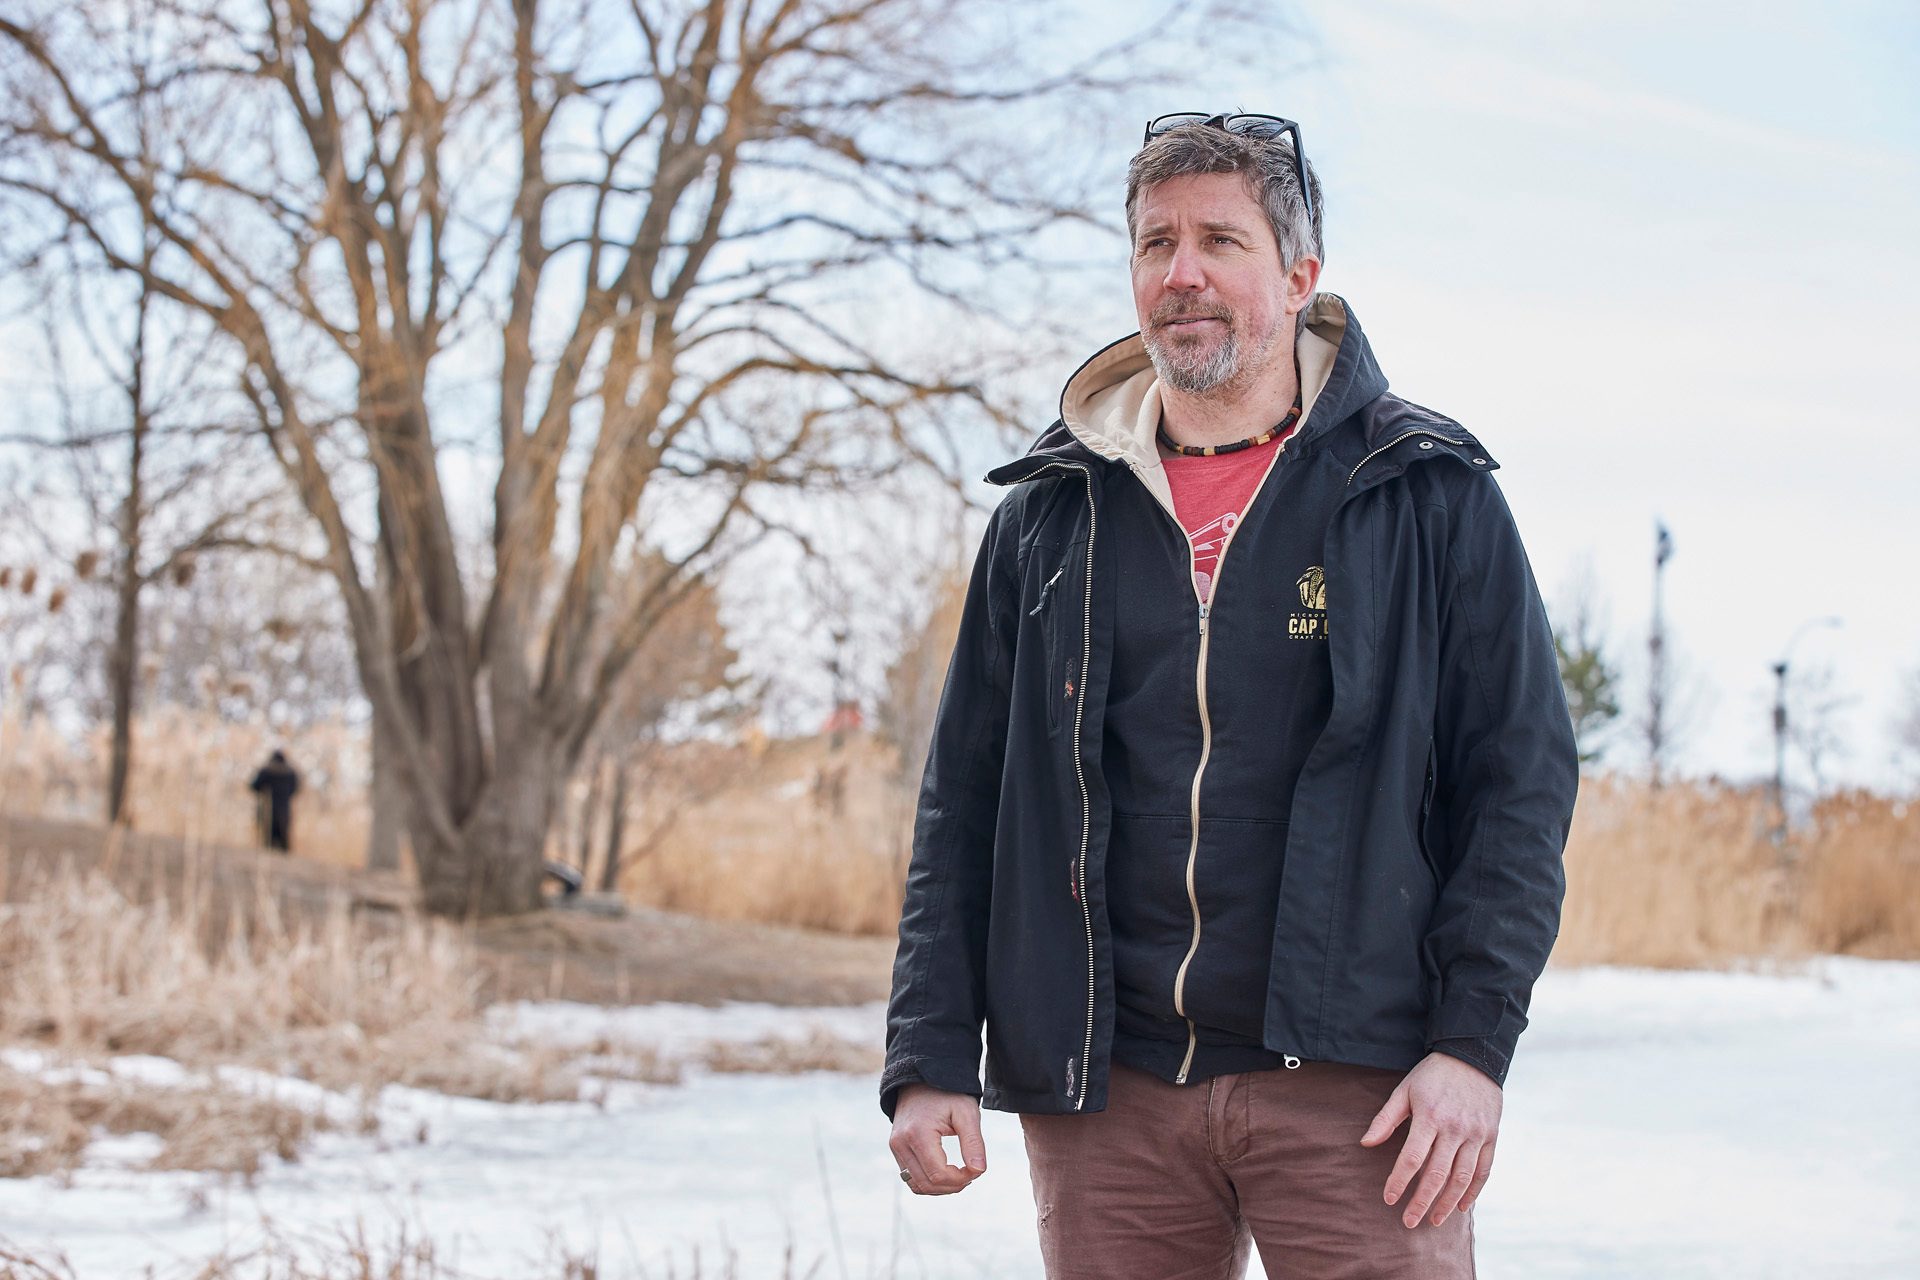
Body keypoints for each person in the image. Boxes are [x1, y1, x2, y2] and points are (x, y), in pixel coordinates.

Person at [880, 112, 1579, 1278]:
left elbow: (1520, 783)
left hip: (1363, 1088)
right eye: (1156, 243)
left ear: (1300, 276)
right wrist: (929, 1048)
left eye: (1220, 240)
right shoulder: (1049, 515)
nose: (1182, 273)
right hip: (1110, 1089)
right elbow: (964, 801)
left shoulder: (1427, 495)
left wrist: (1472, 1043)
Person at [249, 749, 301, 853]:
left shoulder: (267, 771)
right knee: (283, 833)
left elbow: (254, 786)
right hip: (284, 807)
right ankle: (284, 855)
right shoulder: (290, 772)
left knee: (269, 834)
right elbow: (295, 788)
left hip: (268, 807)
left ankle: (269, 853)